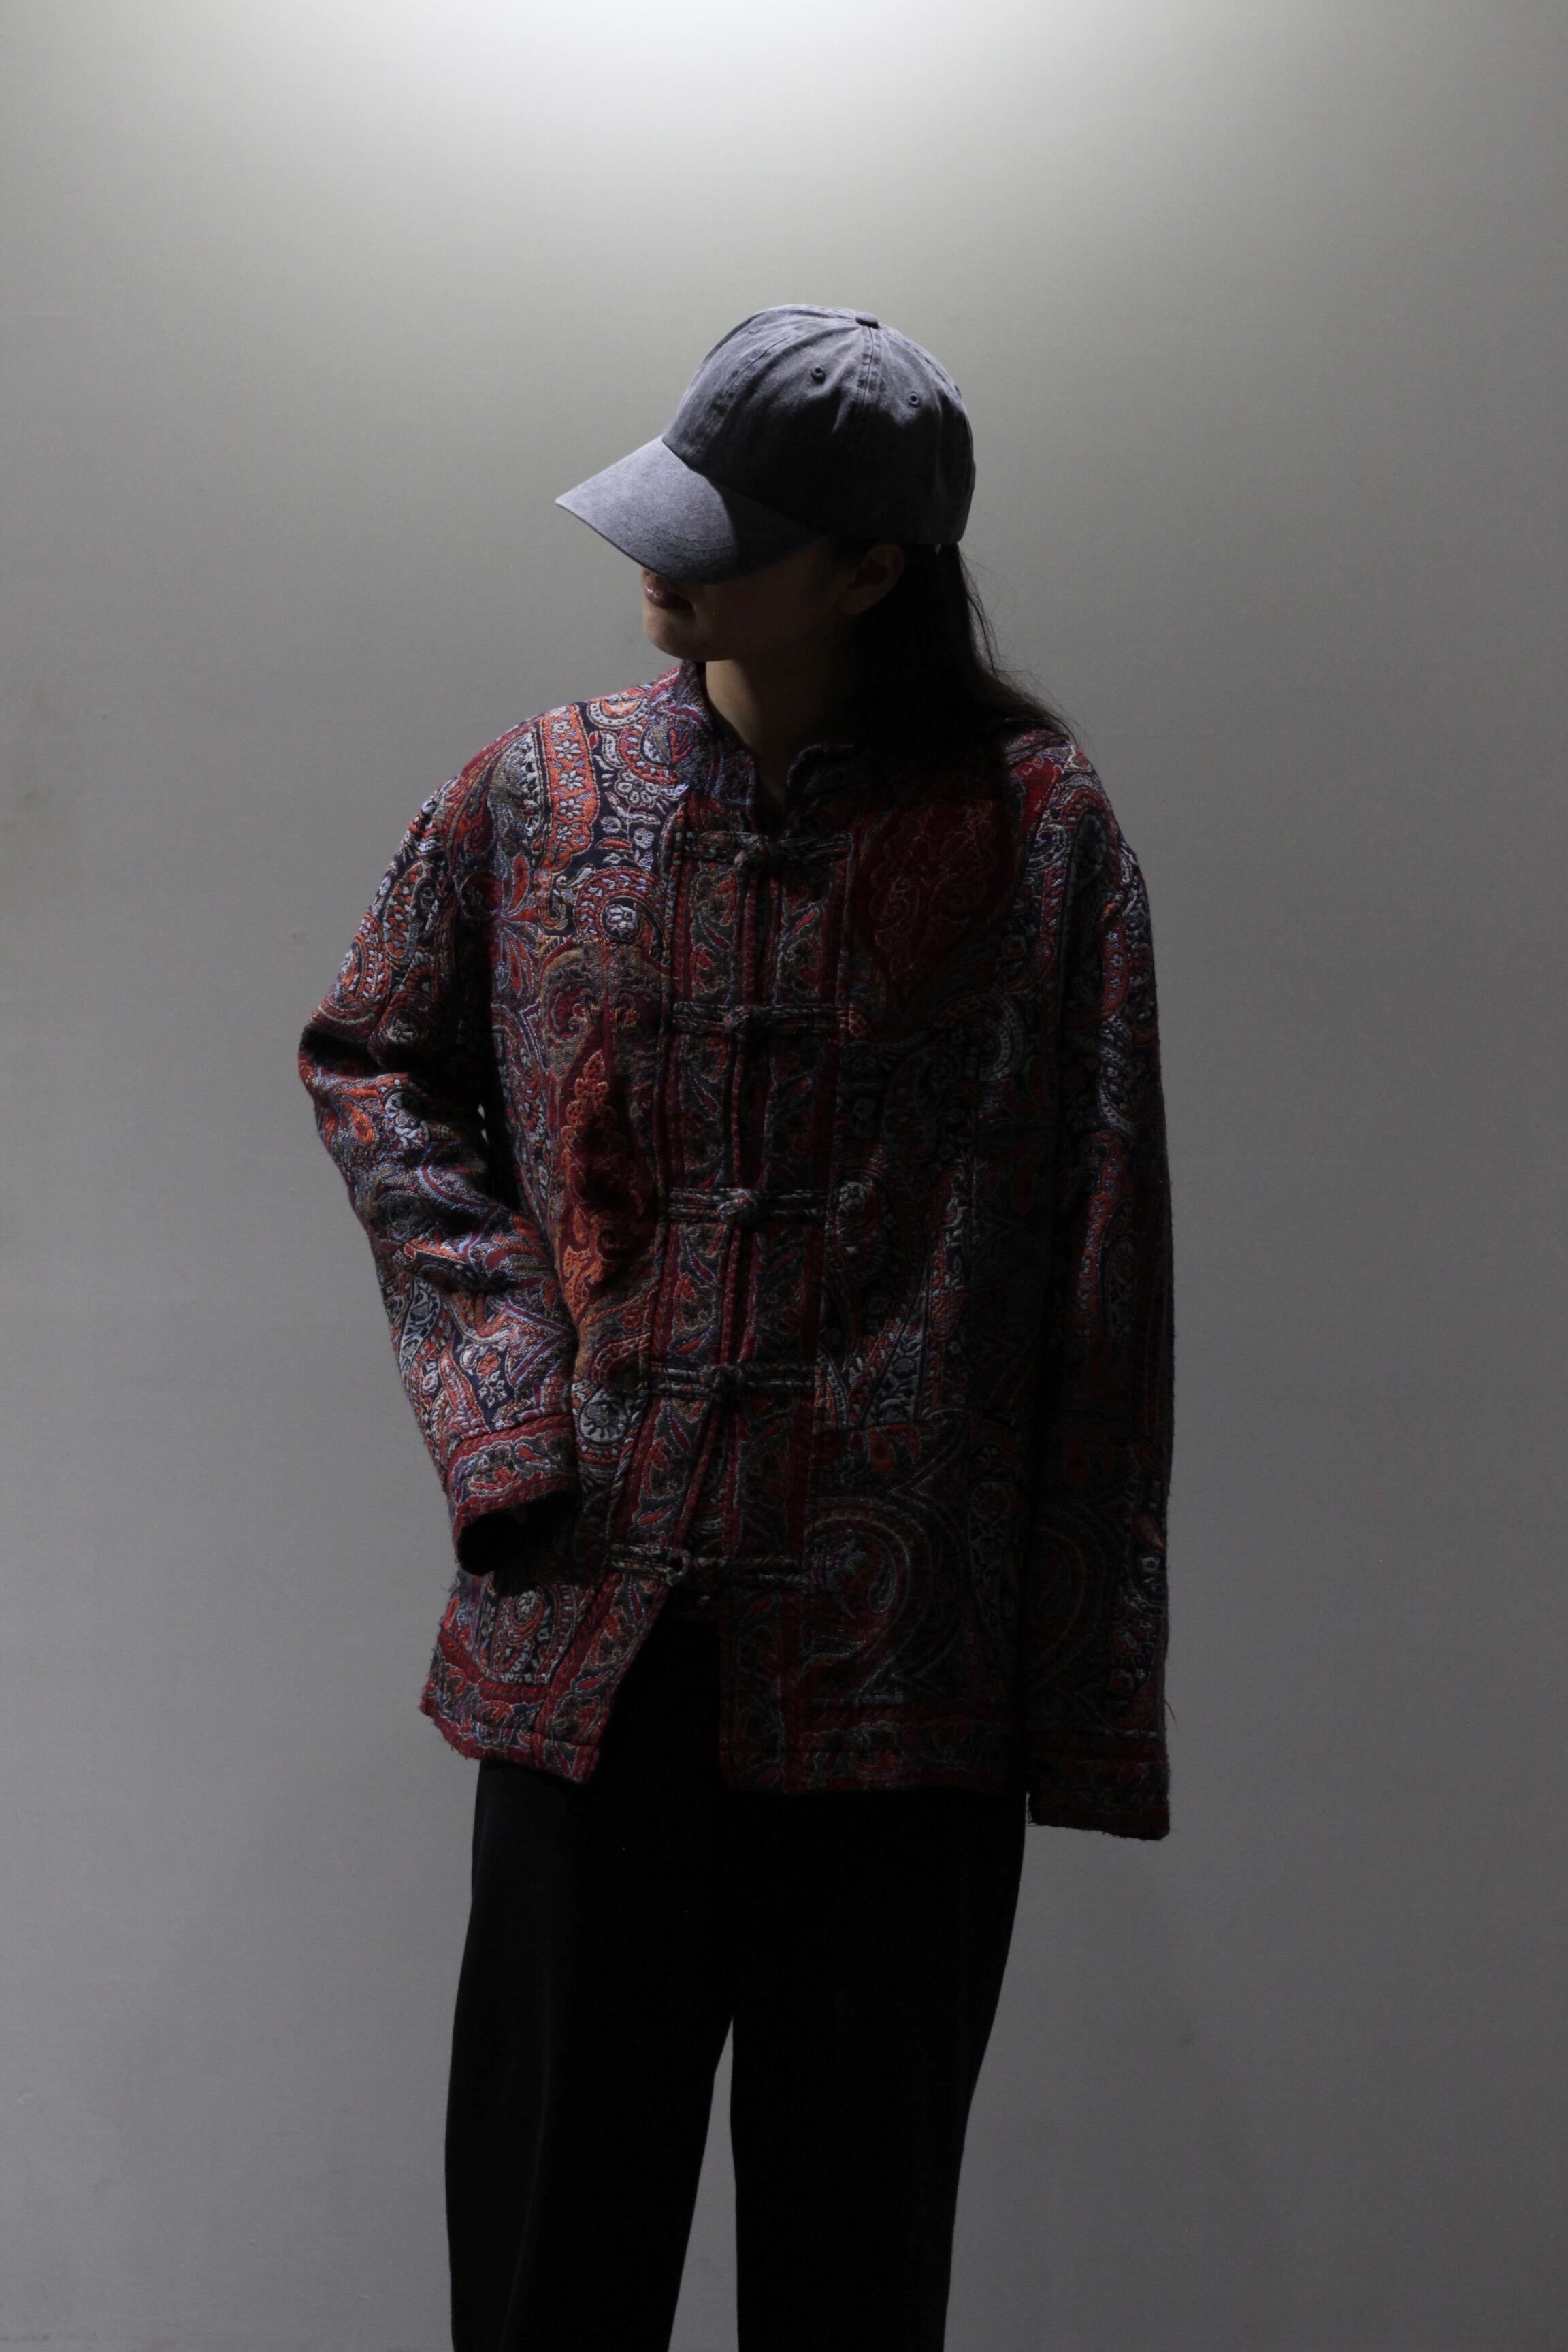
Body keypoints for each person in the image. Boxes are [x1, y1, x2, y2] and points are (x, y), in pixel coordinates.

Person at [297, 303, 1174, 2352]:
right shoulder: (539, 792)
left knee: (856, 2280)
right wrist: (507, 1408)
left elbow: (1106, 1245)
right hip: (594, 1645)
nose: (656, 562)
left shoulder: (1039, 832)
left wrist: (1078, 1686)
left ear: (870, 572)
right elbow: (374, 1064)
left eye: (725, 535)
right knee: (547, 2263)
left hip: (905, 1684)